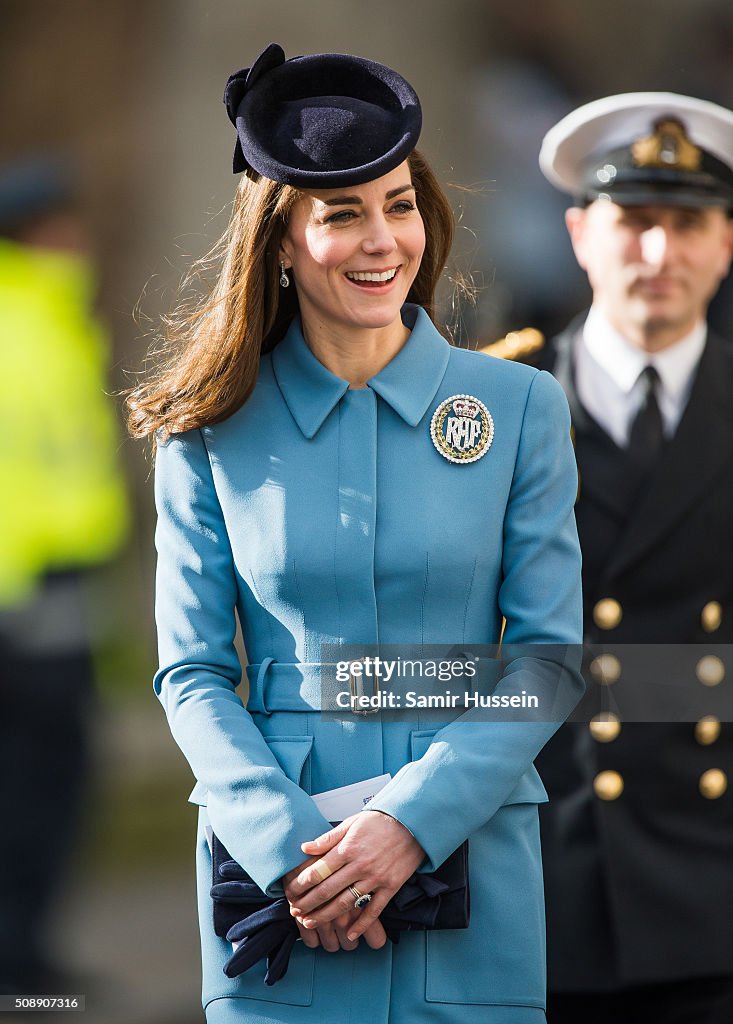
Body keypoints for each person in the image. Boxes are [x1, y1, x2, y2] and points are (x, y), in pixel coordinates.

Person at [128, 43, 582, 1023]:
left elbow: (545, 658)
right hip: (280, 872)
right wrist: (297, 852)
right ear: (281, 241)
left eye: (400, 204)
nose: (384, 240)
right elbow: (192, 671)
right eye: (342, 214)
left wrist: (408, 825)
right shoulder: (204, 431)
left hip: (472, 859)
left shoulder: (519, 406)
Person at [535, 93, 733, 1023]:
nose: (660, 255)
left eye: (687, 224)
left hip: (716, 872)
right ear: (581, 233)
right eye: (634, 222)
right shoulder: (496, 406)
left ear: (725, 243)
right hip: (548, 873)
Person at [0, 158, 129, 994]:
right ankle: (18, 965)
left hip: (57, 585)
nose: (75, 239)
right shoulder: (21, 322)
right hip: (22, 597)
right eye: (59, 225)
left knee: (50, 778)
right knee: (38, 781)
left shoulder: (52, 318)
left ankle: (28, 959)